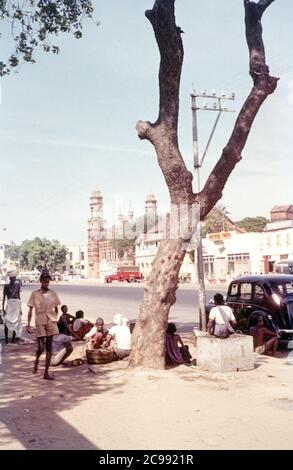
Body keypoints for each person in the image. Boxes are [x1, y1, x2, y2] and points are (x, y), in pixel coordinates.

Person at [27, 273, 61, 380]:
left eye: (48, 282)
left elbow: (56, 308)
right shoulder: (35, 294)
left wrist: (55, 318)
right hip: (40, 320)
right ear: (41, 281)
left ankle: (46, 372)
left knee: (49, 347)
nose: (46, 284)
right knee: (41, 347)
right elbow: (30, 309)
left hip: (51, 320)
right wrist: (28, 324)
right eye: (45, 281)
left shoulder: (53, 293)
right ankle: (37, 360)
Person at [2, 270, 22, 344]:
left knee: (16, 322)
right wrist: (3, 309)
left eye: (15, 278)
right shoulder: (6, 286)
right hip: (9, 305)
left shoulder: (17, 286)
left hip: (16, 305)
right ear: (10, 279)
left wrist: (20, 309)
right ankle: (7, 340)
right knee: (7, 322)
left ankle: (13, 339)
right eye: (13, 278)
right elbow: (4, 298)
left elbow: (19, 297)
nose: (14, 279)